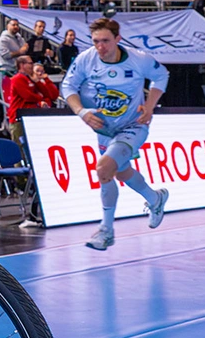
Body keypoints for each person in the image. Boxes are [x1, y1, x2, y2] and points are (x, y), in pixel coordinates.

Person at [62, 17, 170, 251]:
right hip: (104, 129)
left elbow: (162, 75)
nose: (100, 46)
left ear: (118, 39)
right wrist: (81, 112)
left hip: (132, 125)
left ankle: (106, 230)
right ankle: (155, 199)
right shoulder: (86, 59)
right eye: (96, 41)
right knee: (120, 172)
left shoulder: (138, 59)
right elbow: (67, 87)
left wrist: (150, 105)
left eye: (106, 41)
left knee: (103, 168)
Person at [7, 55, 58, 145]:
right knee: (21, 147)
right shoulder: (17, 78)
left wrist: (39, 81)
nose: (32, 65)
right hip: (18, 119)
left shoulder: (30, 79)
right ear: (22, 65)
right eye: (30, 63)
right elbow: (28, 96)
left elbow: (50, 95)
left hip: (30, 117)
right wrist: (40, 100)